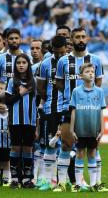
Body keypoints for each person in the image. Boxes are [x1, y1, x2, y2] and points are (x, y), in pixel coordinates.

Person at [54, 27, 104, 192]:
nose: (81, 40)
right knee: (67, 144)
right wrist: (72, 96)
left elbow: (98, 83)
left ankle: (95, 184)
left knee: (92, 147)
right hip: (69, 108)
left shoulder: (95, 60)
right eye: (77, 37)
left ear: (87, 39)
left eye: (83, 37)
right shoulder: (63, 61)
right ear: (71, 40)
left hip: (90, 109)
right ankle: (61, 183)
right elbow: (59, 83)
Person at [69, 63, 107, 192]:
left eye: (92, 71)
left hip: (93, 129)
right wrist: (71, 129)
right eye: (87, 72)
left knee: (92, 153)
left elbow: (101, 111)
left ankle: (93, 184)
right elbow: (73, 110)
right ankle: (78, 184)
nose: (91, 73)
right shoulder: (76, 91)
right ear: (80, 76)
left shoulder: (100, 91)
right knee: (80, 154)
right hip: (80, 129)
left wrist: (102, 129)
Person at [36, 35, 67, 191]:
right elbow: (40, 88)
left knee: (68, 145)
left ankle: (64, 179)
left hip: (68, 108)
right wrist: (48, 101)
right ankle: (48, 180)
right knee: (50, 143)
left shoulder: (70, 62)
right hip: (51, 109)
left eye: (62, 52)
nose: (60, 56)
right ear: (52, 50)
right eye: (57, 53)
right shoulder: (45, 64)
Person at [5, 53, 37, 189]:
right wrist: (20, 94)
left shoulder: (33, 81)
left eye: (24, 62)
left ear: (28, 64)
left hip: (30, 120)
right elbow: (7, 101)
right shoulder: (12, 81)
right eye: (18, 63)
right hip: (15, 120)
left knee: (28, 148)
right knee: (16, 147)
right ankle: (15, 178)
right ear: (15, 66)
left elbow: (38, 100)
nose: (21, 65)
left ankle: (27, 179)